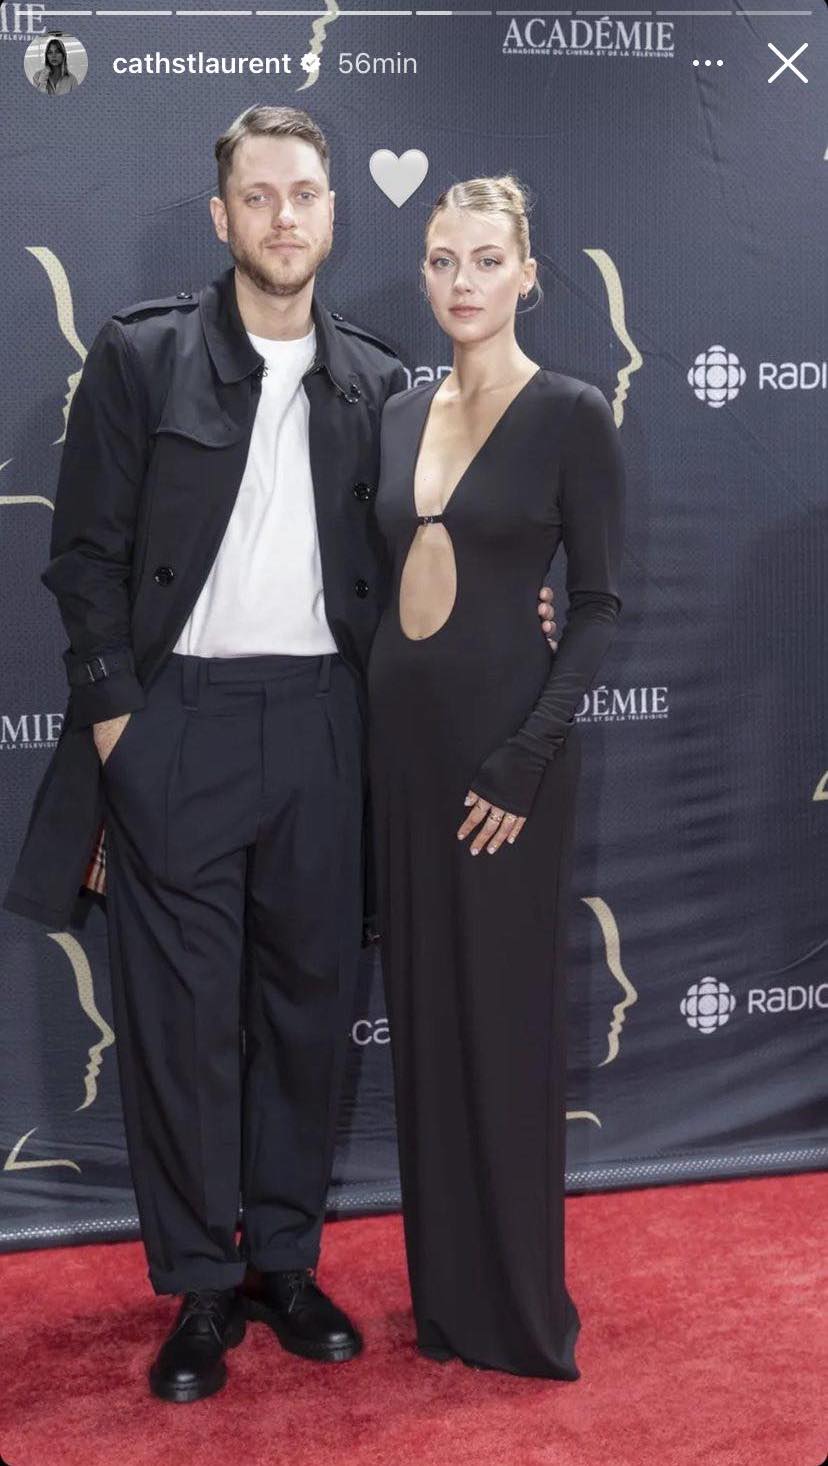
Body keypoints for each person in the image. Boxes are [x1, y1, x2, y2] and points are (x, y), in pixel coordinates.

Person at [3, 106, 558, 1403]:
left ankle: (286, 1264)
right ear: (222, 217)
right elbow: (83, 560)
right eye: (257, 196)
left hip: (327, 729)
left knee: (308, 1010)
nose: (283, 216)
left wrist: (519, 607)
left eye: (303, 193)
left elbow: (428, 559)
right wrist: (120, 728)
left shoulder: (377, 382)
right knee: (181, 1022)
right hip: (175, 725)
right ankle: (201, 1285)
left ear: (332, 211)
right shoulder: (140, 358)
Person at [367, 175, 625, 1378]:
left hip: (507, 762)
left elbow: (600, 605)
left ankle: (519, 1308)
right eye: (441, 260)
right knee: (424, 1025)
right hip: (402, 756)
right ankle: (448, 1304)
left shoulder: (571, 412)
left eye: (484, 260)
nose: (460, 282)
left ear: (528, 274)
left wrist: (527, 755)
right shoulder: (392, 413)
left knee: (505, 1024)